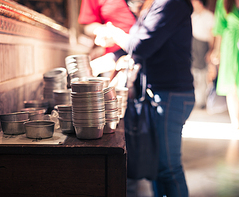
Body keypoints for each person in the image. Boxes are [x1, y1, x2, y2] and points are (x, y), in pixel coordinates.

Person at [94, 0, 195, 196]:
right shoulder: (156, 5)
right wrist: (103, 62)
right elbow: (136, 46)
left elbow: (141, 45)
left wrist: (113, 33)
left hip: (170, 94)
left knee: (168, 168)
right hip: (160, 94)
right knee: (158, 169)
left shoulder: (171, 3)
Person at [78, 0, 136, 77]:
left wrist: (114, 34)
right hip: (114, 58)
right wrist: (103, 31)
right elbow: (88, 25)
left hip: (147, 55)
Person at [210, 0, 239, 129]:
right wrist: (216, 51)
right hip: (230, 45)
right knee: (231, 84)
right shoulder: (224, 2)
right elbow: (219, 28)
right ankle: (236, 122)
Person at [191, 0, 214, 109]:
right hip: (193, 46)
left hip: (203, 47)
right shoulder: (192, 15)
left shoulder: (209, 16)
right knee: (194, 74)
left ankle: (202, 101)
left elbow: (212, 36)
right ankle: (194, 99)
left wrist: (211, 50)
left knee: (202, 74)